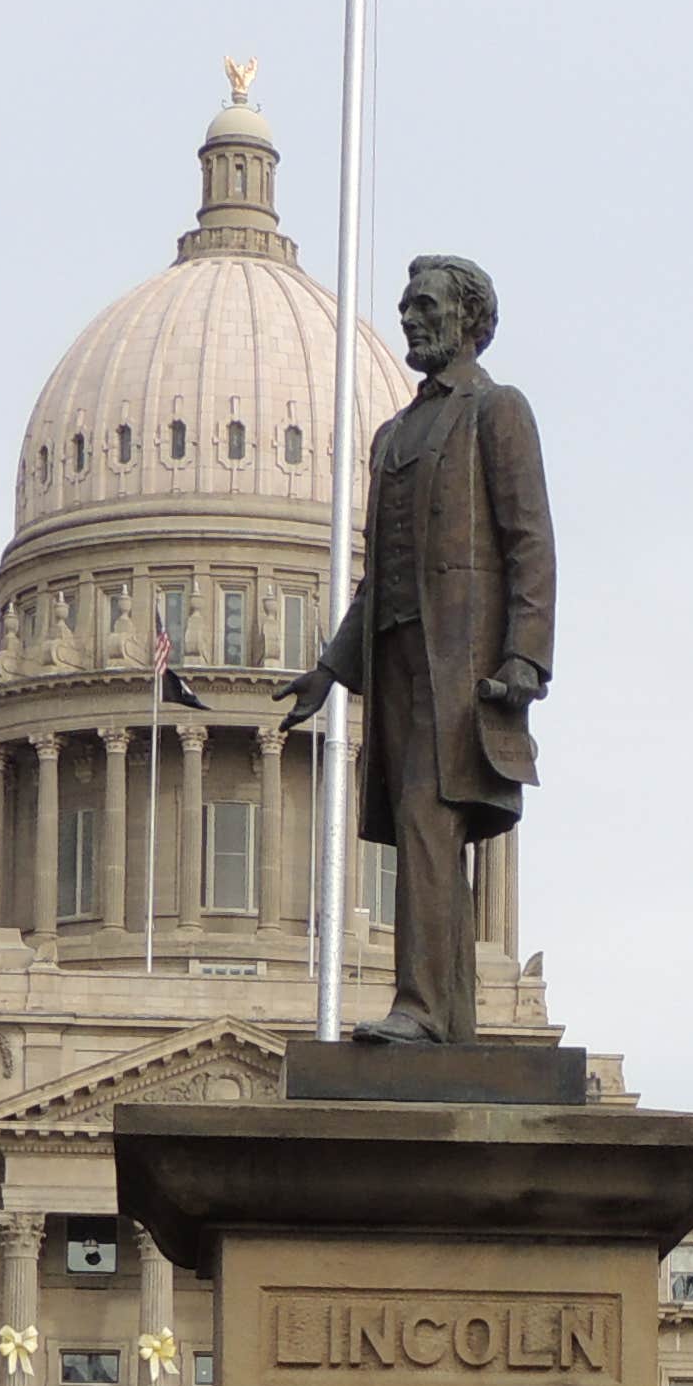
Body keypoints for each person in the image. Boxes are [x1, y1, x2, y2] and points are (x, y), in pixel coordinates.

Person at [273, 254, 554, 1043]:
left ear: (469, 319)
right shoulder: (392, 434)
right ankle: (448, 1020)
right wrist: (331, 668)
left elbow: (530, 540)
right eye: (404, 305)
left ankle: (425, 1011)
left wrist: (523, 659)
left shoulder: (496, 411)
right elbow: (376, 576)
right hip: (395, 660)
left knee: (432, 822)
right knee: (416, 825)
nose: (409, 316)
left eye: (425, 304)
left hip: (460, 664)